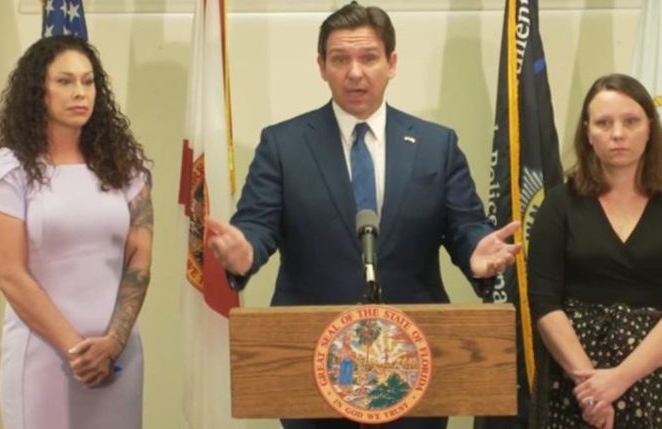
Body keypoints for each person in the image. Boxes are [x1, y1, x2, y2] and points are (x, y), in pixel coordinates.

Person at [206, 3, 521, 428]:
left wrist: (476, 255)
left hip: (413, 360)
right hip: (313, 361)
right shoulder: (284, 145)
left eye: (368, 57)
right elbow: (258, 226)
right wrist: (244, 253)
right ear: (322, 67)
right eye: (340, 59)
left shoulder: (435, 145)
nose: (355, 72)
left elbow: (465, 226)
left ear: (391, 63)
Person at [0, 35, 153, 429]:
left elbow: (139, 258)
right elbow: (9, 274)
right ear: (39, 90)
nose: (80, 93)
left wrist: (113, 343)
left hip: (117, 355)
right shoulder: (11, 169)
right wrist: (77, 349)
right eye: (65, 81)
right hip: (44, 357)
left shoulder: (125, 165)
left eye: (88, 82)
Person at [528, 73, 662, 429]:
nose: (617, 133)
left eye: (630, 121)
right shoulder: (559, 204)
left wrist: (618, 379)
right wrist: (592, 386)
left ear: (650, 128)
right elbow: (544, 302)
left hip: (660, 378)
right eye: (604, 122)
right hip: (576, 382)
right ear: (587, 132)